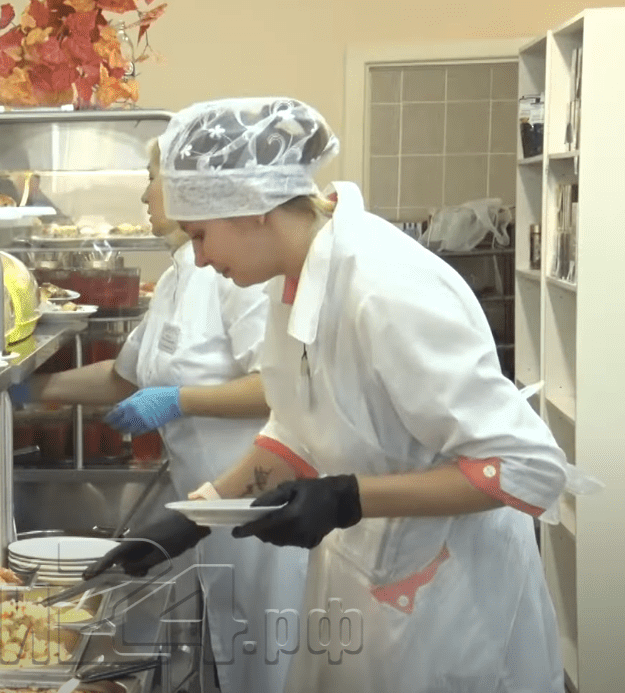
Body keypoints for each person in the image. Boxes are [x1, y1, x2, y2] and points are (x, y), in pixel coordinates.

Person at [83, 97, 599, 692]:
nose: (198, 258)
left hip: (452, 599)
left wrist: (347, 497)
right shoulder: (295, 281)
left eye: (200, 235)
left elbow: (527, 468)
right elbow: (295, 430)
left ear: (254, 208)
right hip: (369, 580)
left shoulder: (385, 288)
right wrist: (195, 518)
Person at [17, 138, 307, 693]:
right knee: (227, 659)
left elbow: (278, 388)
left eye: (151, 177)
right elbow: (125, 377)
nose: (144, 194)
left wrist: (178, 400)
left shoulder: (240, 277)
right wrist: (24, 389)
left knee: (267, 664)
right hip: (204, 505)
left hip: (257, 504)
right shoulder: (178, 277)